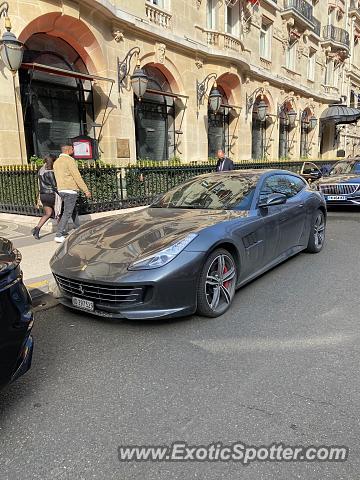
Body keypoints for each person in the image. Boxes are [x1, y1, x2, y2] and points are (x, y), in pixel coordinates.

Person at [53, 144, 91, 243]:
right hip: (70, 189)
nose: (73, 150)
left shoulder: (56, 162)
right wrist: (85, 190)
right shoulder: (69, 160)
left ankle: (79, 229)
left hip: (61, 189)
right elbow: (77, 176)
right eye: (72, 149)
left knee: (73, 210)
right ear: (68, 150)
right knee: (68, 212)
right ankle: (59, 234)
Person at [32, 154, 58, 240]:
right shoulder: (50, 171)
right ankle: (61, 231)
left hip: (43, 195)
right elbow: (54, 185)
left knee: (48, 214)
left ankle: (37, 229)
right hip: (51, 195)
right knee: (58, 213)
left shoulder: (41, 170)